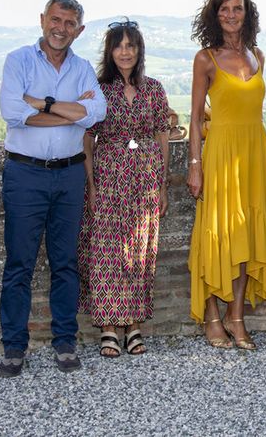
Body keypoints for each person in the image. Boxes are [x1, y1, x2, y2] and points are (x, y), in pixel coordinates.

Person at [0, 0, 106, 377]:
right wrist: (70, 111)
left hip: (70, 175)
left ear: (80, 29)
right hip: (25, 175)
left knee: (66, 263)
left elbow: (97, 112)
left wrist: (41, 104)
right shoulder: (19, 61)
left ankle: (65, 341)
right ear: (43, 19)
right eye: (56, 20)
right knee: (19, 264)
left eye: (70, 22)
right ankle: (13, 346)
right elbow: (12, 112)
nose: (61, 28)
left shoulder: (83, 68)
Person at [186, 0, 266, 350]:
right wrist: (195, 165)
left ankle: (235, 317)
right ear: (215, 15)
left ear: (246, 13)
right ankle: (212, 315)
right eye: (223, 9)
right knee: (216, 234)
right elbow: (196, 118)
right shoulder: (205, 59)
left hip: (254, 156)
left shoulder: (258, 56)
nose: (230, 15)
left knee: (247, 236)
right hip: (221, 156)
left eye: (236, 8)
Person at [78, 18, 170, 357]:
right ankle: (108, 327)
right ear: (110, 51)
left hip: (145, 180)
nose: (125, 51)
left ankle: (133, 325)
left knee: (139, 251)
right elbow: (87, 138)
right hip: (108, 178)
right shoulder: (99, 90)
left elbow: (162, 134)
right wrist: (91, 185)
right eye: (118, 45)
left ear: (139, 49)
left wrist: (162, 185)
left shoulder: (154, 89)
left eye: (131, 45)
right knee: (106, 252)